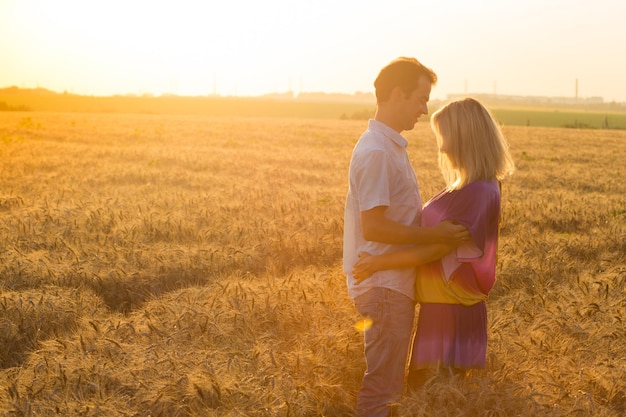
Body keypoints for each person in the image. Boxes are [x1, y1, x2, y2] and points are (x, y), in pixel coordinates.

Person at [352, 97, 515, 388]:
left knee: (435, 398)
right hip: (444, 307)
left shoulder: (477, 192)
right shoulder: (472, 187)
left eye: (444, 137)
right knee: (434, 398)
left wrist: (378, 262)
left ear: (464, 138)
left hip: (451, 312)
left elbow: (436, 249)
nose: (442, 147)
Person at [343, 57, 470, 417]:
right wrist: (434, 235)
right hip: (384, 287)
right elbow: (375, 227)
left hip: (391, 284)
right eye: (420, 98)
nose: (424, 108)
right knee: (383, 389)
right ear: (397, 94)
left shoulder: (388, 148)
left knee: (388, 387)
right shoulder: (377, 152)